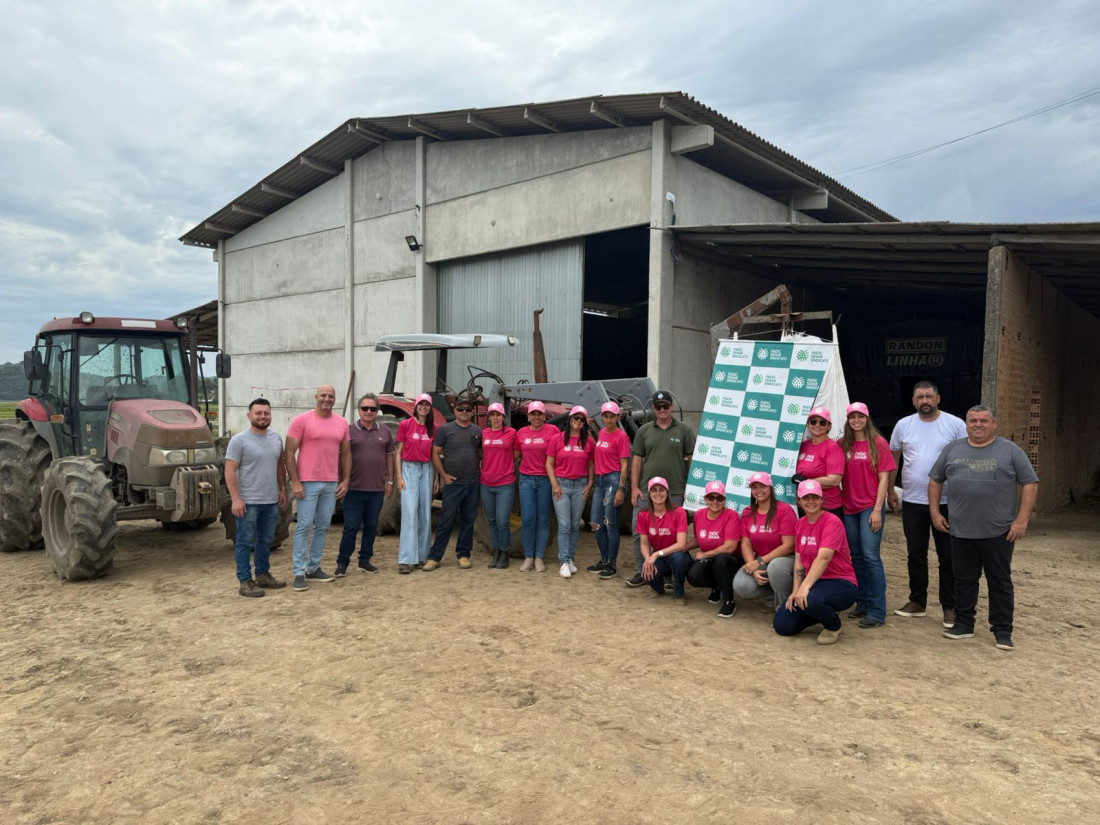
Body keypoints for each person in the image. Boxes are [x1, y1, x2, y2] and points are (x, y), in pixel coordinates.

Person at [930, 405, 1038, 651]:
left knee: (999, 581)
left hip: (998, 531)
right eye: (973, 420)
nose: (978, 425)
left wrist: (1021, 520)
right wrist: (935, 512)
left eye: (983, 421)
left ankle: (1002, 630)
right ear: (966, 424)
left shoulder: (1010, 450)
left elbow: (1030, 483)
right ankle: (964, 624)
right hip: (960, 529)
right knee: (963, 580)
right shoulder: (953, 449)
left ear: (994, 424)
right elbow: (935, 479)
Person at [888, 380, 968, 626]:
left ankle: (950, 606)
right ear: (913, 401)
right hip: (913, 500)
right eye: (920, 397)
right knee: (915, 554)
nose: (925, 401)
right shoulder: (904, 425)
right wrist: (890, 490)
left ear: (938, 398)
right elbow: (893, 459)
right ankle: (917, 601)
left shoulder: (955, 424)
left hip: (947, 502)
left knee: (948, 556)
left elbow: (967, 459)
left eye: (929, 396)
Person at [774, 479, 858, 645]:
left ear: (822, 499)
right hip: (815, 582)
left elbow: (824, 558)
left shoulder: (832, 522)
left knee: (812, 599)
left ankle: (833, 626)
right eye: (806, 498)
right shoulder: (800, 524)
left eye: (815, 497)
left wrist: (804, 588)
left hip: (840, 582)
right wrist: (795, 591)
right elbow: (798, 561)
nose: (811, 501)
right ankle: (819, 613)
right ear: (799, 501)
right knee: (783, 625)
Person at [626, 390, 696, 587]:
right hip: (646, 491)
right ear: (653, 409)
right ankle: (642, 571)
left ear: (671, 407)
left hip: (675, 490)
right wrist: (634, 488)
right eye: (658, 407)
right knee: (638, 533)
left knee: (672, 534)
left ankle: (668, 574)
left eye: (666, 406)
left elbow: (692, 460)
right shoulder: (644, 431)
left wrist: (689, 488)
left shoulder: (684, 430)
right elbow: (636, 460)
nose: (662, 409)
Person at [285, 384, 351, 592]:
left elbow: (346, 454)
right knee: (304, 526)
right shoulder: (301, 420)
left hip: (331, 482)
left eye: (331, 396)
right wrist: (295, 481)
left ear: (334, 399)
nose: (327, 399)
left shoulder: (342, 423)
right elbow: (289, 453)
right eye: (323, 395)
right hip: (307, 482)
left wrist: (345, 480)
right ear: (316, 397)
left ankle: (313, 568)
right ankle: (299, 572)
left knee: (322, 526)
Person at [838, 402, 896, 628]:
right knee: (856, 556)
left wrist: (877, 509)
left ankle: (877, 610)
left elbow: (884, 478)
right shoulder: (843, 443)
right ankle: (862, 602)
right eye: (852, 417)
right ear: (847, 420)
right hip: (848, 507)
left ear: (867, 418)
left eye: (860, 416)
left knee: (871, 556)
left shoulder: (878, 443)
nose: (856, 421)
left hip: (870, 507)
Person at [224, 398, 288, 598]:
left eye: (266, 413)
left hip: (270, 501)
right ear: (249, 415)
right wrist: (236, 499)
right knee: (244, 541)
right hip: (248, 501)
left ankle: (262, 575)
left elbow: (279, 465)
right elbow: (229, 470)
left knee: (265, 540)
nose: (262, 416)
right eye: (258, 413)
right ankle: (245, 581)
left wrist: (282, 488)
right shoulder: (239, 441)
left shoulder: (276, 438)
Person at [335, 393, 395, 577]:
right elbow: (340, 457)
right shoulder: (348, 430)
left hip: (376, 489)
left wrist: (390, 480)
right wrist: (341, 481)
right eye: (365, 408)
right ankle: (342, 563)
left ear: (377, 411)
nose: (368, 411)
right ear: (359, 410)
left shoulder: (385, 431)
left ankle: (364, 560)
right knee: (351, 527)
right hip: (354, 488)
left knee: (371, 527)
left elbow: (389, 457)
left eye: (372, 408)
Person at [424, 398, 482, 571]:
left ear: (472, 412)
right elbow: (435, 453)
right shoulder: (445, 430)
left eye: (468, 409)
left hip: (473, 482)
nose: (464, 412)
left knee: (468, 521)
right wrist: (443, 475)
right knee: (446, 521)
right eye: (460, 409)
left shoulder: (477, 430)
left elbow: (481, 453)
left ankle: (463, 555)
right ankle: (435, 557)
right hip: (453, 484)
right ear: (454, 410)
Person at [733, 471, 796, 613]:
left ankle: (783, 609)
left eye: (762, 486)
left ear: (770, 488)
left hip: (786, 559)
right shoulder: (748, 512)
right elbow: (745, 543)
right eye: (754, 487)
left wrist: (759, 561)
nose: (758, 490)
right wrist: (753, 566)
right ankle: (774, 596)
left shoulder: (784, 510)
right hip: (762, 561)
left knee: (776, 566)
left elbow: (789, 545)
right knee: (741, 585)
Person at [548, 405, 595, 578]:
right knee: (564, 525)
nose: (578, 421)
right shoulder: (557, 439)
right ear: (570, 419)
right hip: (562, 485)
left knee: (575, 525)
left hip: (580, 485)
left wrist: (590, 484)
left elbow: (591, 464)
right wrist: (554, 484)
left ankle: (570, 559)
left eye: (582, 419)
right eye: (576, 417)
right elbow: (549, 463)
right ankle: (563, 561)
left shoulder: (588, 441)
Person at [515, 401, 561, 572]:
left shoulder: (553, 431)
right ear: (528, 416)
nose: (536, 417)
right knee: (527, 519)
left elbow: (560, 452)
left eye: (539, 414)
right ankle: (528, 557)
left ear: (544, 416)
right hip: (526, 480)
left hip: (545, 481)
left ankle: (539, 557)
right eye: (533, 414)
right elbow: (514, 455)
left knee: (543, 520)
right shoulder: (521, 433)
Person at [684, 481, 742, 617]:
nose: (715, 501)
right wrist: (684, 547)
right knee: (693, 576)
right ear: (705, 499)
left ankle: (729, 600)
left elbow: (729, 547)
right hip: (711, 558)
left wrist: (704, 554)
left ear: (724, 500)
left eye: (719, 498)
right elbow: (699, 538)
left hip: (731, 560)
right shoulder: (698, 515)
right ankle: (717, 585)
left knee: (721, 560)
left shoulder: (731, 515)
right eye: (711, 497)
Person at [394, 393, 436, 573]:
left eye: (427, 405)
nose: (423, 407)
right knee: (410, 512)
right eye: (421, 404)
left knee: (425, 513)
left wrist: (436, 478)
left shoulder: (433, 428)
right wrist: (399, 476)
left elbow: (434, 455)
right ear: (416, 406)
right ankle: (405, 559)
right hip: (409, 468)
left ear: (430, 408)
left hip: (427, 469)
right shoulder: (405, 425)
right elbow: (398, 452)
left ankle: (422, 556)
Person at [590, 401, 631, 579]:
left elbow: (624, 464)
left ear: (617, 417)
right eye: (605, 416)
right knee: (595, 523)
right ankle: (604, 558)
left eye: (611, 416)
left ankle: (611, 564)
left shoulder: (621, 437)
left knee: (610, 523)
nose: (608, 420)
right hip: (600, 482)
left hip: (613, 481)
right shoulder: (601, 433)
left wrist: (621, 488)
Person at [636, 477, 690, 604]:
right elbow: (644, 543)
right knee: (646, 570)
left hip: (677, 553)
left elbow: (681, 544)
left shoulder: (679, 511)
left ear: (667, 492)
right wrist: (647, 558)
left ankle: (679, 592)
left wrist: (656, 554)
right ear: (649, 494)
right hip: (659, 556)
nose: (658, 493)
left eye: (661, 490)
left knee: (678, 559)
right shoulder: (643, 514)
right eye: (654, 490)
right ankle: (658, 588)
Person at [480, 402, 516, 569]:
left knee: (502, 520)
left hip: (504, 483)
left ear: (503, 417)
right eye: (492, 415)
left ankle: (504, 553)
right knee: (492, 520)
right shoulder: (484, 433)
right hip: (486, 483)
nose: (495, 418)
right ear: (489, 417)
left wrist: (505, 467)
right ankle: (495, 551)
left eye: (498, 415)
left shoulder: (511, 433)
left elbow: (516, 453)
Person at [792, 406, 844, 517]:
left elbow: (834, 480)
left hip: (828, 506)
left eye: (822, 422)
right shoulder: (802, 446)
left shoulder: (832, 448)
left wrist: (805, 481)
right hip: (805, 506)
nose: (817, 425)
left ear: (829, 426)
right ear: (808, 424)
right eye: (813, 421)